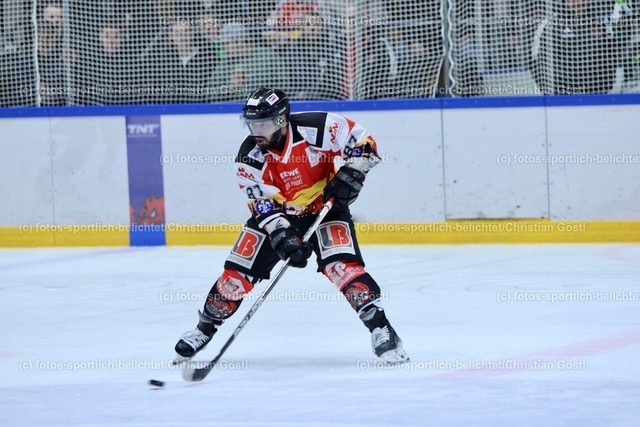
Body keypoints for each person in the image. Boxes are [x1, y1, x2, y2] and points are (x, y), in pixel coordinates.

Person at [174, 87, 409, 364]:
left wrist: (352, 172)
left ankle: (382, 329)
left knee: (343, 268)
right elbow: (261, 205)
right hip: (278, 216)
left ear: (281, 120)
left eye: (262, 124)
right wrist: (283, 236)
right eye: (252, 125)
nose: (256, 131)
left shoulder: (317, 127)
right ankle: (204, 329)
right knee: (236, 274)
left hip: (326, 208)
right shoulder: (249, 156)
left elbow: (364, 143)